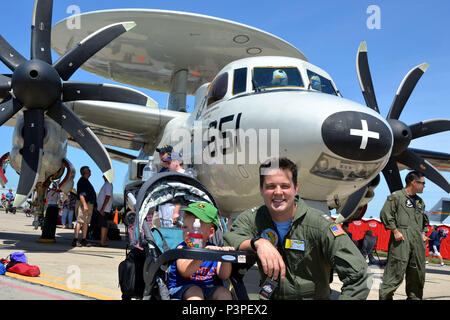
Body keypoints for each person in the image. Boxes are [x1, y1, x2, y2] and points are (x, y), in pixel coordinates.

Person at [223, 157, 370, 300]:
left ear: (296, 189)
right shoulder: (254, 218)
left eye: (285, 186)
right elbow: (230, 240)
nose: (278, 192)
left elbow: (360, 275)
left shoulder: (319, 225)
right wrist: (258, 242)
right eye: (271, 186)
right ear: (261, 189)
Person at [168, 202, 234, 300]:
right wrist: (202, 254)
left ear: (210, 232)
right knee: (195, 292)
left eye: (195, 228)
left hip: (208, 288)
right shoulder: (182, 249)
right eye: (185, 227)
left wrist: (225, 256)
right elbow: (184, 272)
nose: (188, 232)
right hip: (182, 288)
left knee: (223, 292)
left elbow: (223, 275)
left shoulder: (213, 248)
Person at [379, 170, 429, 300]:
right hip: (401, 238)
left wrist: (423, 233)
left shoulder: (419, 202)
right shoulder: (396, 197)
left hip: (417, 240)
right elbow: (386, 214)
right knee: (395, 271)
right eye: (422, 183)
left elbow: (424, 220)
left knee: (417, 273)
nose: (424, 186)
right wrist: (395, 231)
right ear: (413, 182)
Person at [72, 166, 97, 247]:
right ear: (86, 172)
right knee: (79, 221)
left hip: (88, 204)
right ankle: (75, 240)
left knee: (85, 222)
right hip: (84, 204)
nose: (90, 172)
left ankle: (83, 239)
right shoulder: (82, 181)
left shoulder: (86, 181)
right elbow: (81, 194)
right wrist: (85, 205)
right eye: (89, 171)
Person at [97, 175, 113, 247]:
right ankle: (103, 241)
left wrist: (103, 208)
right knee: (103, 225)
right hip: (104, 208)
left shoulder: (108, 184)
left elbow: (107, 196)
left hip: (105, 209)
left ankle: (102, 242)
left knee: (103, 225)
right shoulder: (107, 184)